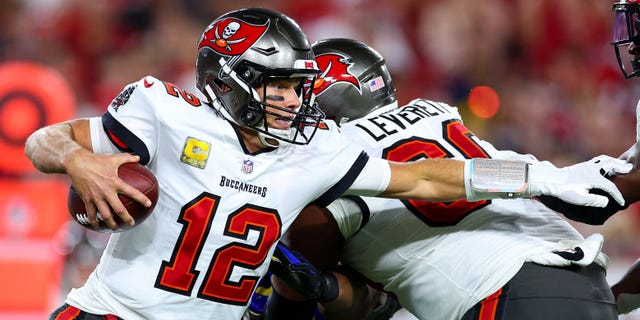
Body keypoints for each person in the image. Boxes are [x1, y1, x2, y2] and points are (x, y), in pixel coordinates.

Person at [25, 7, 629, 320]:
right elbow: (42, 140)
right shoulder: (165, 111)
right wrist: (80, 159)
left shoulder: (317, 151)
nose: (293, 100)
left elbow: (431, 175)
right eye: (277, 85)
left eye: (298, 86)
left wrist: (538, 176)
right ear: (227, 81)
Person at [263, 38, 640, 320]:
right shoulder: (436, 115)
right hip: (587, 283)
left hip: (503, 295)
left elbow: (304, 304)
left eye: (295, 93)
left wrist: (322, 290)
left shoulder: (327, 163)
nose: (289, 105)